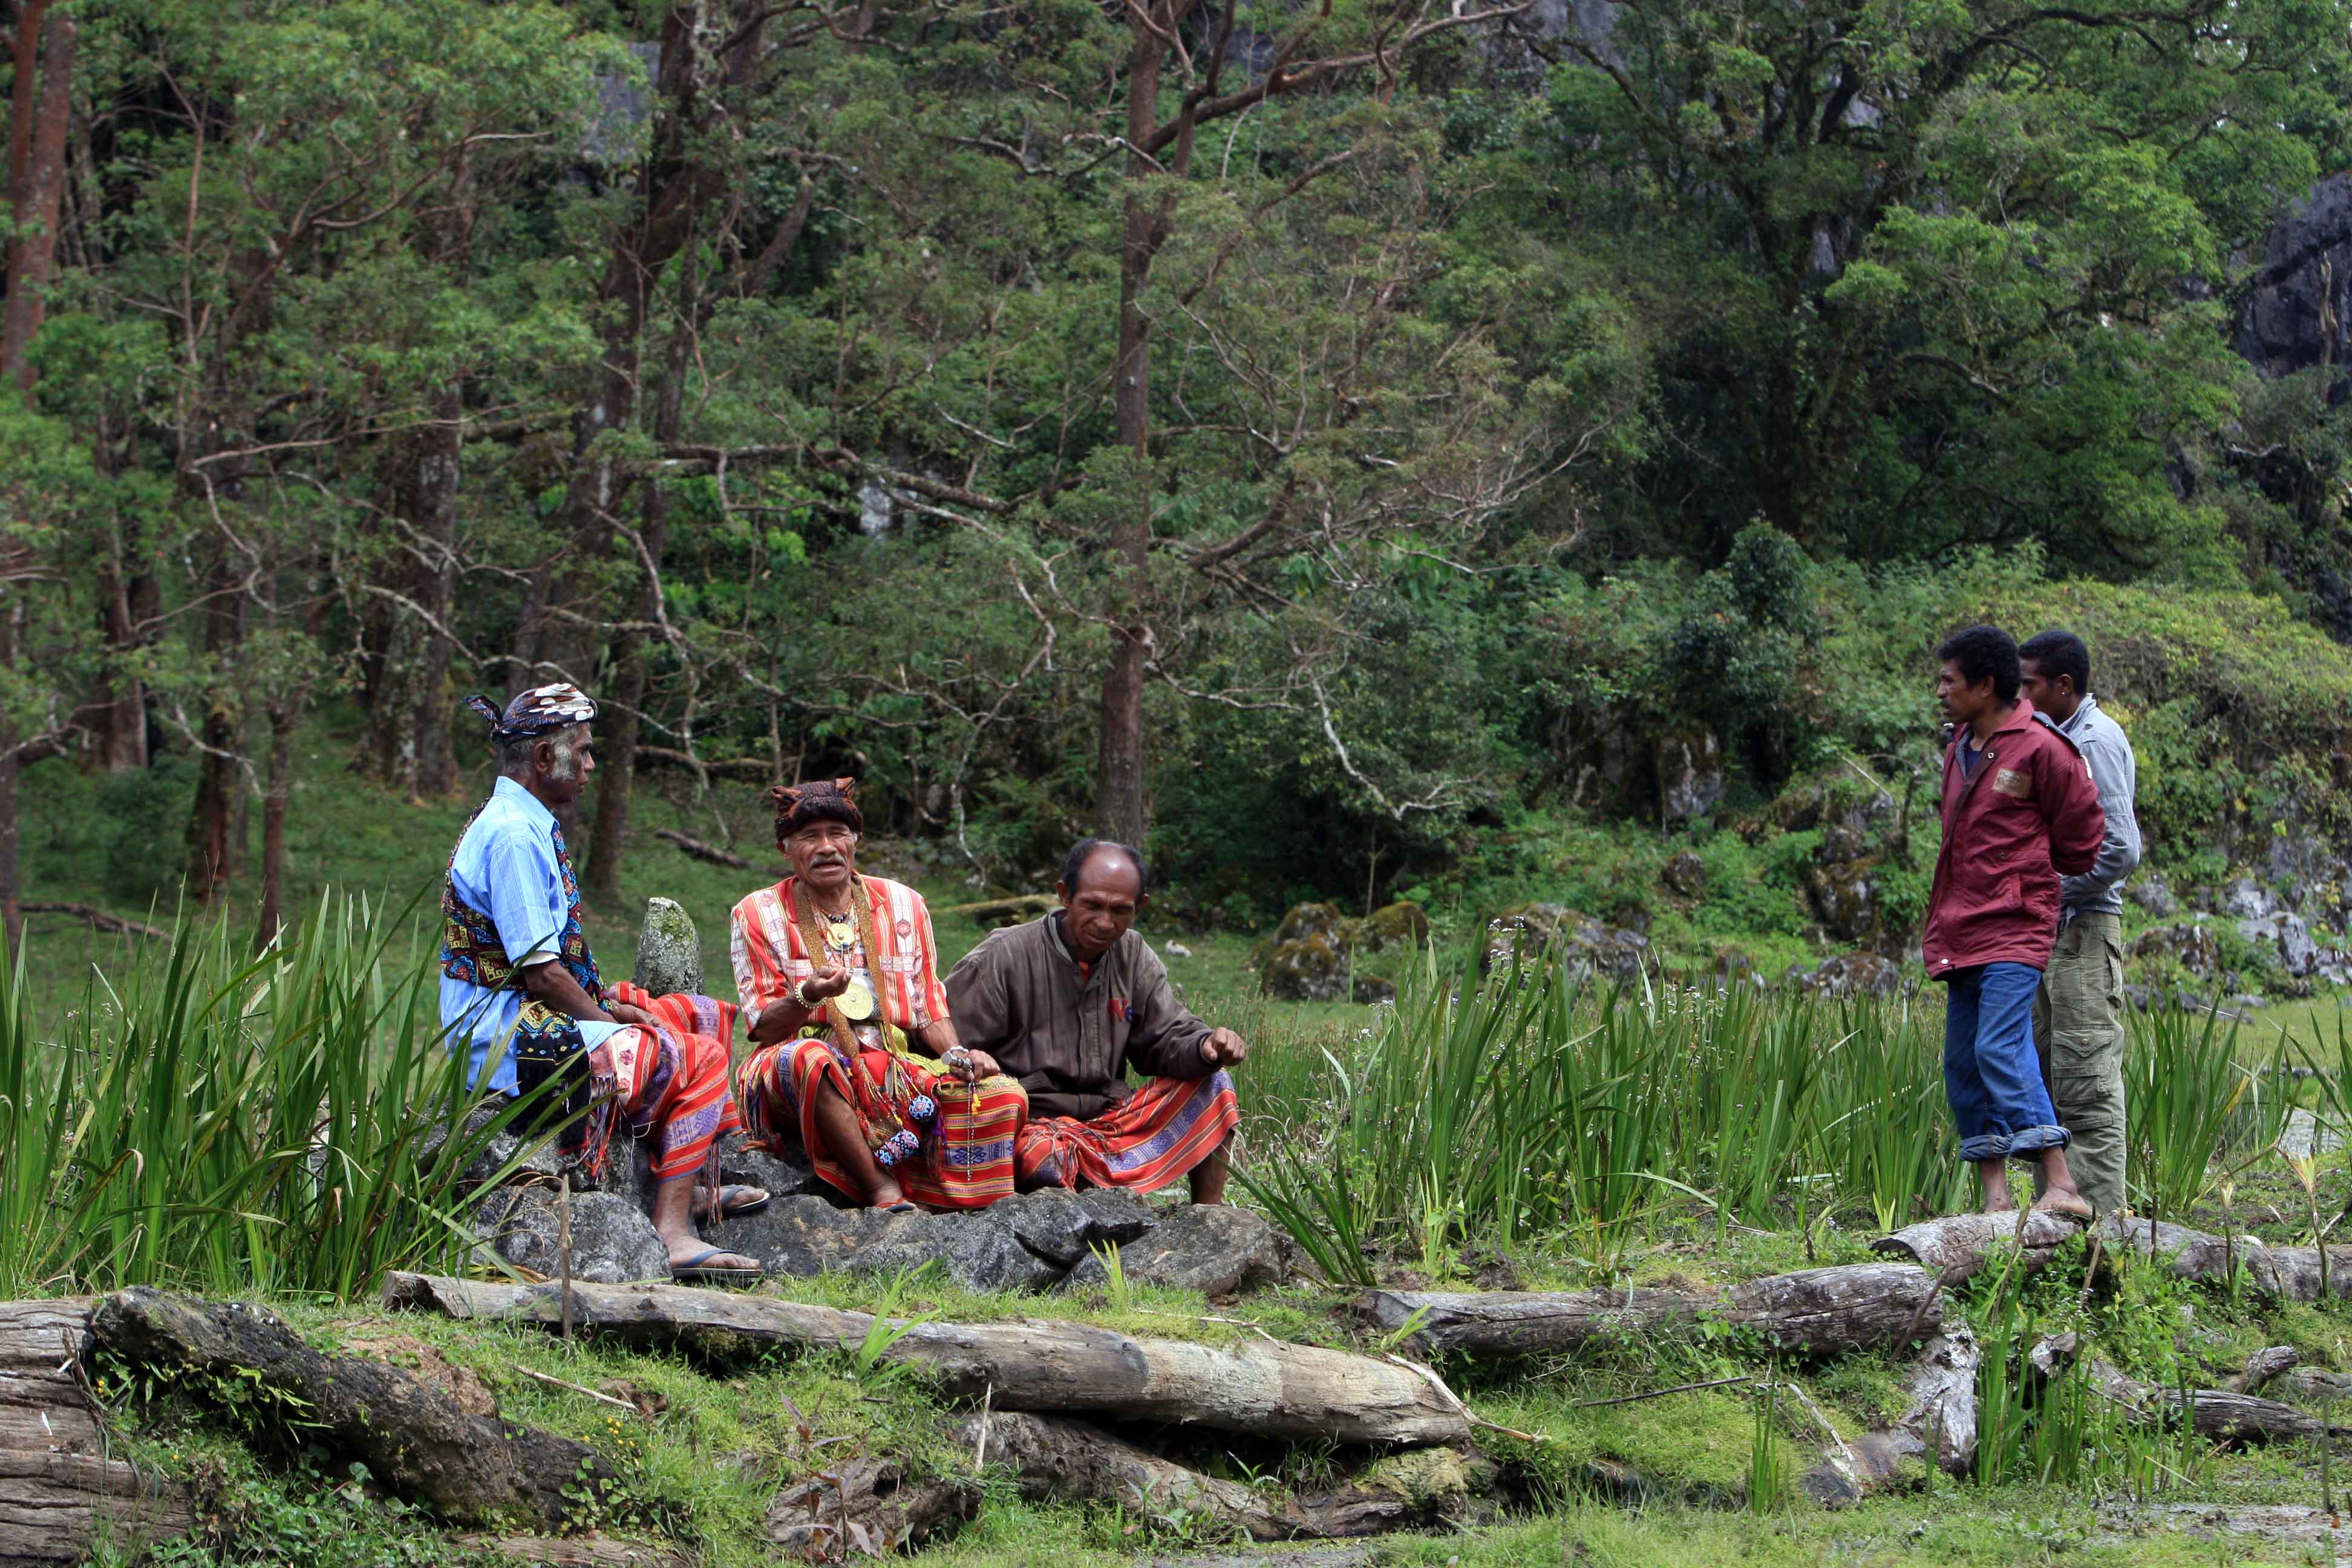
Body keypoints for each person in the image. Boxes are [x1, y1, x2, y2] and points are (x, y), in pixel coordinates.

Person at [440, 684, 763, 1281]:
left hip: (525, 1013)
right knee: (694, 1054)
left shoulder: (525, 820)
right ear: (544, 759)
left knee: (696, 1013)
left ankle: (682, 1179)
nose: (590, 765)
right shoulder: (512, 835)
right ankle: (672, 1230)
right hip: (506, 1040)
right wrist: (608, 1019)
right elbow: (541, 974)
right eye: (582, 752)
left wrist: (610, 1003)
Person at [731, 779, 1028, 1212]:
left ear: (857, 840)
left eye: (838, 833)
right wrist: (808, 996)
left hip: (893, 1066)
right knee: (811, 1060)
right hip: (795, 1065)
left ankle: (960, 1203)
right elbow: (763, 1028)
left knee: (1004, 1094)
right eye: (809, 837)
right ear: (785, 848)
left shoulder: (905, 904)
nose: (826, 847)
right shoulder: (756, 912)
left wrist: (960, 1056)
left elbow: (928, 1006)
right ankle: (880, 1189)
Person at [946, 840, 1244, 1203]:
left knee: (1214, 1084)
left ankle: (1207, 1219)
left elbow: (1165, 1037)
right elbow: (942, 1044)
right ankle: (1087, 1202)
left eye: (1121, 910)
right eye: (1092, 906)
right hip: (1029, 1128)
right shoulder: (1003, 955)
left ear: (1140, 907)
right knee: (1045, 1156)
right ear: (1064, 895)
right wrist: (971, 1064)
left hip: (1109, 1124)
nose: (1105, 923)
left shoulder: (1133, 954)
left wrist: (1206, 1046)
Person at [1924, 627, 2106, 1218]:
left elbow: (2082, 838)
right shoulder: (1958, 746)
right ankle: (1997, 1201)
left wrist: (2024, 876)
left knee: (2000, 1045)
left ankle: (2062, 1185)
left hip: (2015, 925)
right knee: (1962, 1062)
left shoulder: (2040, 748)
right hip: (1961, 927)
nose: (1941, 691)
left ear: (1984, 685)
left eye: (1950, 681)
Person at [2019, 629, 2141, 1215]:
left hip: (2086, 931)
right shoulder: (2051, 742)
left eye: (2030, 684)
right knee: (2050, 1080)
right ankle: (2057, 1227)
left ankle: (2104, 1241)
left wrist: (2052, 888)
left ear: (2063, 687)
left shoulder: (2096, 740)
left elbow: (2120, 849)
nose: (2022, 695)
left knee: (2088, 1083)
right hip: (2054, 932)